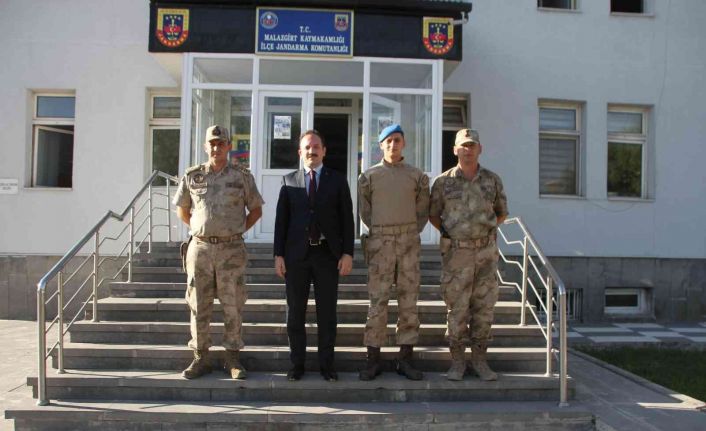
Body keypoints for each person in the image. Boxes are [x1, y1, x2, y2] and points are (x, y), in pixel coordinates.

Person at [173, 124, 264, 380]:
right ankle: (200, 357)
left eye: (221, 143)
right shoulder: (192, 175)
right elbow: (182, 210)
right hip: (200, 249)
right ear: (206, 146)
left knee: (232, 304)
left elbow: (256, 210)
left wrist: (234, 231)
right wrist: (201, 230)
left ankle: (232, 358)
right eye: (212, 144)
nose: (216, 148)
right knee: (198, 305)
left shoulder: (241, 176)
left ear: (229, 147)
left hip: (231, 251)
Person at [274, 130, 355, 382]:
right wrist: (278, 255)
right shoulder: (289, 181)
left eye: (316, 146)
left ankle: (326, 366)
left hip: (327, 256)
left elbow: (347, 219)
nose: (312, 151)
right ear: (300, 152)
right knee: (295, 314)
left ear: (324, 151)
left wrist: (347, 253)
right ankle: (296, 364)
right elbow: (281, 221)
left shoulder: (337, 180)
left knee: (327, 314)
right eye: (307, 147)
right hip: (296, 257)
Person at [429, 128, 508, 381]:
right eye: (463, 145)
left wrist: (485, 232)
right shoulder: (443, 182)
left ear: (479, 149)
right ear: (455, 150)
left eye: (472, 145)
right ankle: (457, 362)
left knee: (484, 309)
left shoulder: (492, 180)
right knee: (457, 309)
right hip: (457, 254)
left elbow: (502, 212)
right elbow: (433, 214)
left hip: (486, 254)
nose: (468, 149)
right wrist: (451, 234)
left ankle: (480, 361)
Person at [357, 124, 430, 381]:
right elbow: (365, 211)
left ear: (404, 143)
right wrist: (383, 231)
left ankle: (405, 359)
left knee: (408, 301)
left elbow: (423, 210)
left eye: (397, 140)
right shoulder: (368, 177)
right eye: (388, 141)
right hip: (381, 242)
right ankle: (373, 359)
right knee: (377, 302)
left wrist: (407, 231)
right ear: (381, 145)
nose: (393, 145)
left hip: (408, 240)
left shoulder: (416, 176)